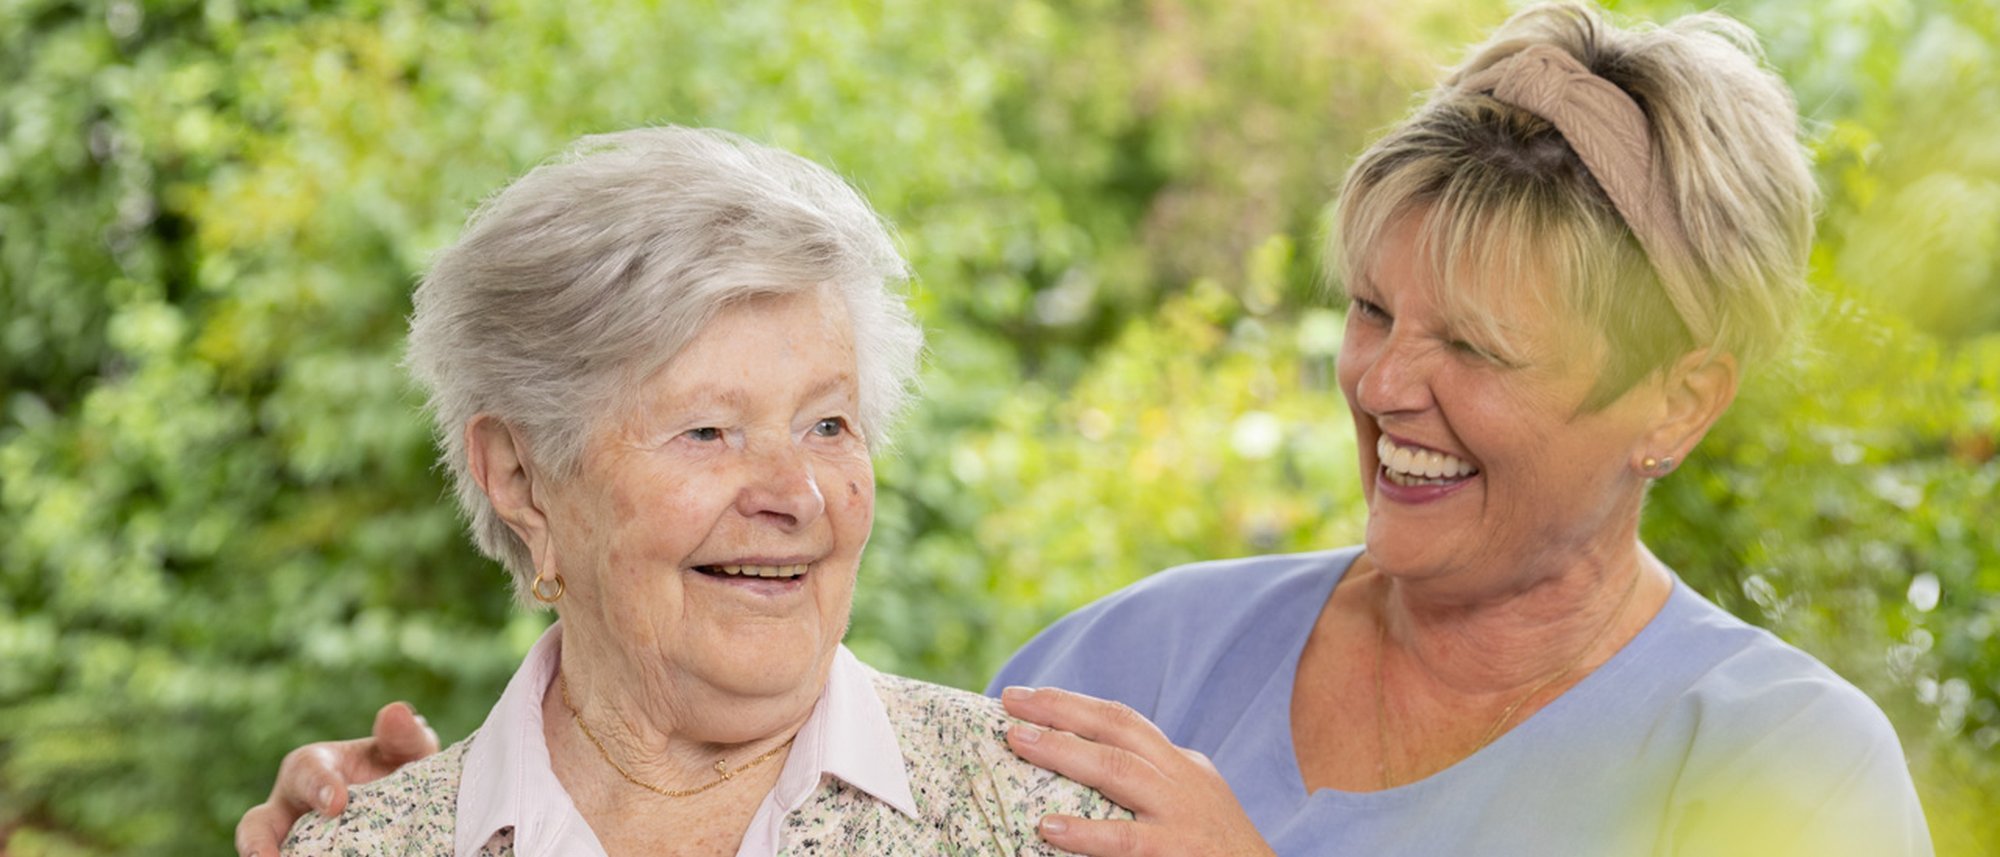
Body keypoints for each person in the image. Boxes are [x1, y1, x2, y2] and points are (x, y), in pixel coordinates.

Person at [239, 5, 1933, 856]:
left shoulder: (1773, 764)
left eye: (1473, 345)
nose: (1383, 385)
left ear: (1679, 397)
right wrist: (462, 808)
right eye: (1367, 309)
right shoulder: (1128, 656)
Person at [263, 126, 1124, 856]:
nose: (798, 496)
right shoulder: (363, 841)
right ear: (520, 478)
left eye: (828, 425)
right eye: (708, 431)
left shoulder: (1052, 822)